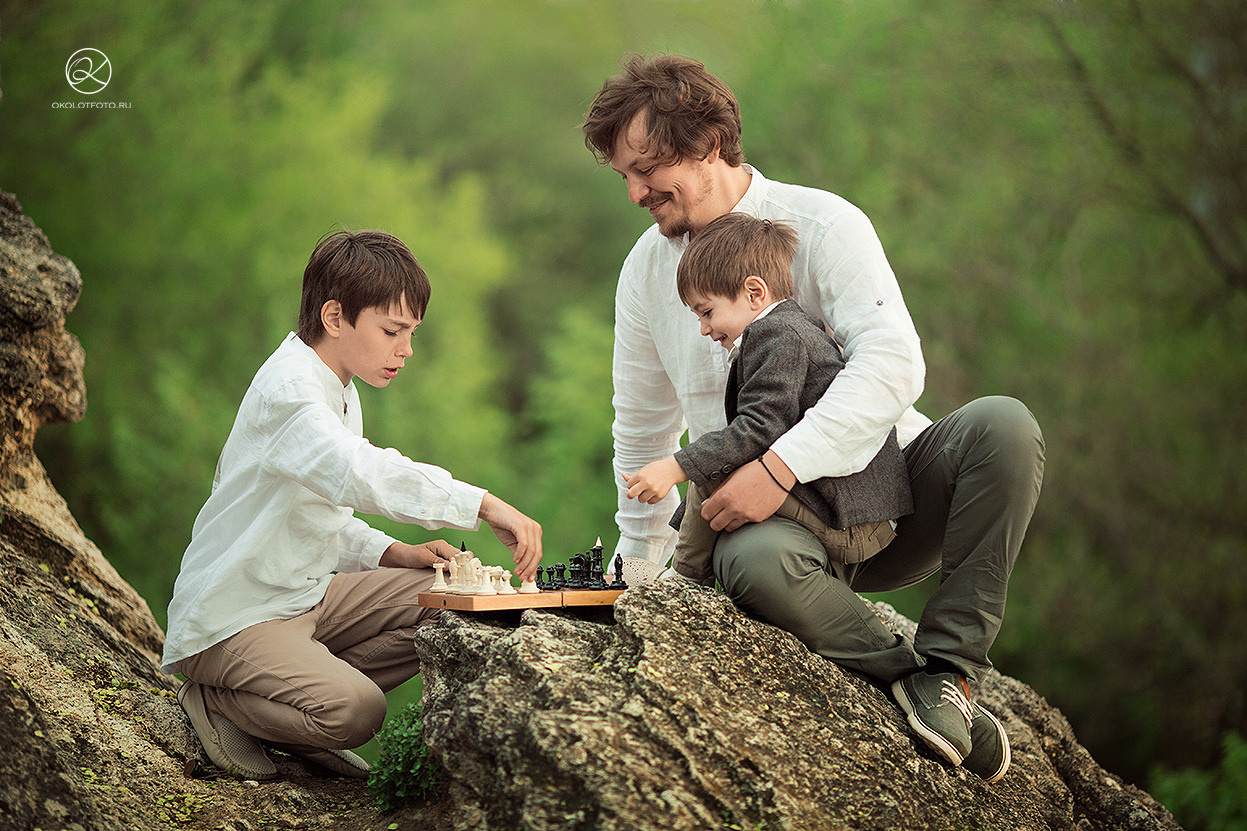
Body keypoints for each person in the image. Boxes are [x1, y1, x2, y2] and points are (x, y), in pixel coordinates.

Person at [582, 53, 1044, 783]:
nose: (635, 191)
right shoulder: (644, 272)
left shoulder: (823, 223)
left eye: (646, 168)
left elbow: (894, 362)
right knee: (750, 561)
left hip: (888, 500)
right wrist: (635, 574)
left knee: (1004, 425)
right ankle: (910, 672)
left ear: (705, 147)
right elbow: (640, 431)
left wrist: (780, 464)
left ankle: (953, 669)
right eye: (624, 177)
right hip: (782, 541)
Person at [161, 229, 543, 781]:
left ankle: (291, 715)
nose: (406, 350)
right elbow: (357, 471)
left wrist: (394, 552)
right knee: (358, 711)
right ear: (335, 316)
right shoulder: (290, 391)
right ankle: (223, 705)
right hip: (236, 616)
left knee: (454, 599)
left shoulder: (338, 386)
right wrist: (481, 504)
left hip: (306, 595)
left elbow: (322, 517)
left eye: (411, 333)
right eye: (393, 331)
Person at [622, 212, 912, 586]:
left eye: (707, 312)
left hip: (856, 523)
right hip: (848, 514)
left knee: (713, 465)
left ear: (754, 293)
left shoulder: (779, 336)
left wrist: (674, 467)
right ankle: (696, 578)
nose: (704, 329)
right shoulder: (781, 330)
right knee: (715, 462)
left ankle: (682, 584)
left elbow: (758, 429)